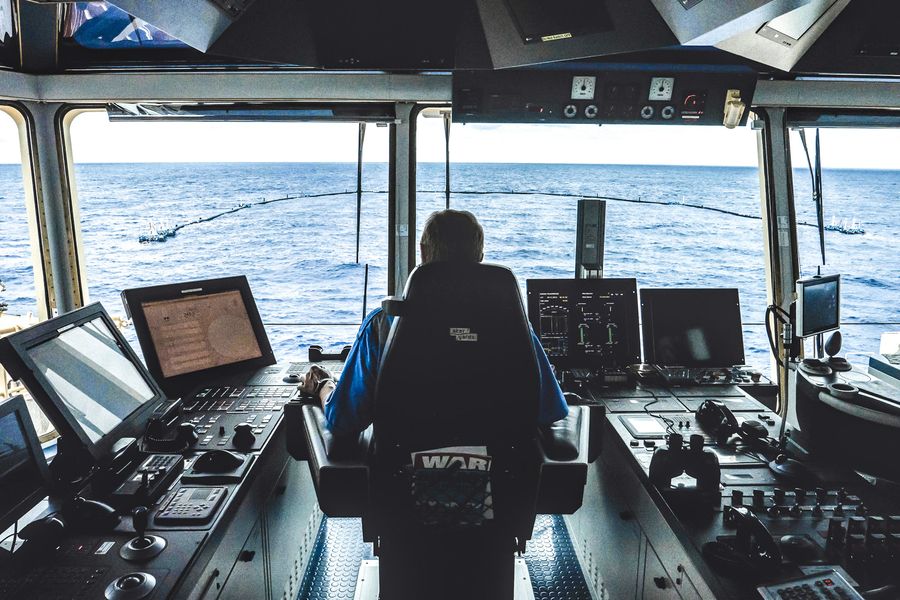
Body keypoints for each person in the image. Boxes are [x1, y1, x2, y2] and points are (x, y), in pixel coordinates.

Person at [301, 209, 568, 435]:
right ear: (480, 256)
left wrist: (325, 385)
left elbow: (344, 421)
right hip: (501, 478)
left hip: (401, 477)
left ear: (423, 252)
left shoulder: (383, 324)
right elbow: (549, 411)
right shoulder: (512, 325)